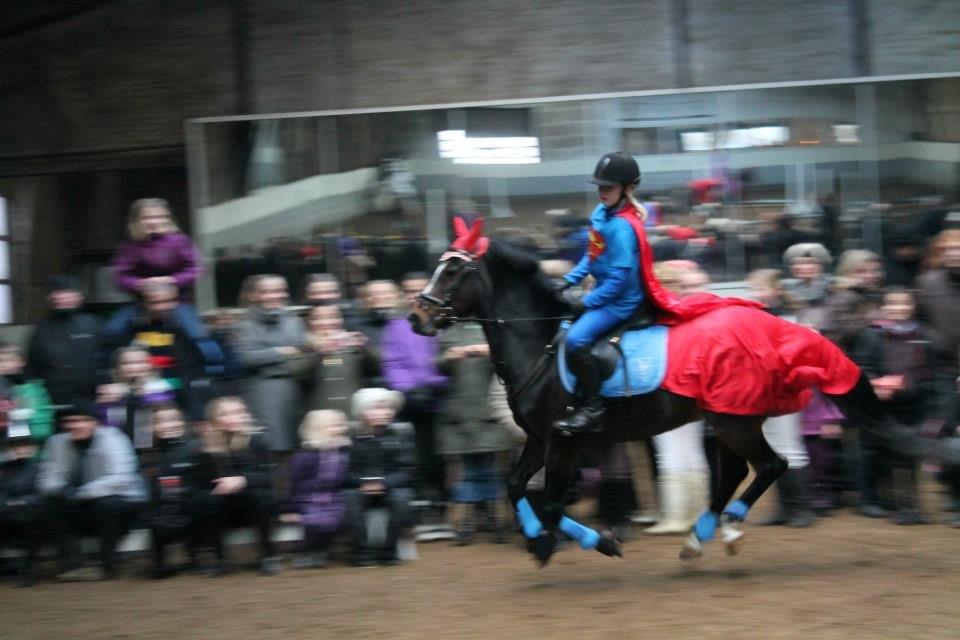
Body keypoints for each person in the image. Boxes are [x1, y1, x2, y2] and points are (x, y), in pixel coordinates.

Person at [552, 152, 652, 434]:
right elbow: (593, 255)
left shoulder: (623, 227)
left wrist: (587, 299)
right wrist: (568, 280)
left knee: (576, 339)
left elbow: (619, 280)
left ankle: (593, 408)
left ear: (628, 188)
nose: (602, 192)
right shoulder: (600, 214)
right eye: (600, 187)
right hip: (603, 292)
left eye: (608, 187)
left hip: (622, 302)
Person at [851, 288, 950, 524]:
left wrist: (936, 406)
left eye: (905, 304)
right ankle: (891, 502)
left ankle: (911, 506)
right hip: (884, 407)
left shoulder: (927, 335)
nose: (899, 308)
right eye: (893, 304)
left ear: (913, 306)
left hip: (917, 405)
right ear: (884, 307)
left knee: (911, 457)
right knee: (888, 456)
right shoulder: (871, 334)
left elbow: (936, 373)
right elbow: (862, 366)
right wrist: (877, 382)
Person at [39, 402, 147, 581]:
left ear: (95, 423)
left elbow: (121, 478)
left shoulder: (114, 439)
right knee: (51, 502)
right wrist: (63, 490)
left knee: (107, 504)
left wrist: (82, 493)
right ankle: (73, 565)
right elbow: (47, 478)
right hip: (82, 504)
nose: (76, 425)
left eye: (82, 420)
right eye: (71, 421)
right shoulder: (56, 443)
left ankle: (108, 566)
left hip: (122, 503)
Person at [436, 322, 514, 545]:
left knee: (492, 469)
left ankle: (496, 518)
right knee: (466, 472)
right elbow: (437, 366)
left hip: (489, 410)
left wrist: (489, 351)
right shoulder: (448, 333)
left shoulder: (492, 329)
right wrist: (449, 356)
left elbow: (510, 361)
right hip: (460, 413)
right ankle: (466, 521)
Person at [192, 397, 279, 575]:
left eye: (239, 412)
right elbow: (202, 484)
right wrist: (215, 455)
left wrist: (242, 480)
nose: (234, 417)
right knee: (205, 499)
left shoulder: (256, 441)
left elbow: (269, 478)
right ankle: (219, 559)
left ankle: (268, 556)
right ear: (215, 420)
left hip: (251, 505)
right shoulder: (203, 446)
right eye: (225, 414)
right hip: (222, 508)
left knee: (262, 495)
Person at [381, 273, 448, 503]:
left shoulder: (445, 320)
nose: (417, 295)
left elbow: (449, 357)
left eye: (422, 289)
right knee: (419, 451)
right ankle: (425, 496)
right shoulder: (397, 325)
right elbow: (392, 361)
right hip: (412, 399)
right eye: (410, 290)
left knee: (443, 451)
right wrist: (408, 388)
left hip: (441, 396)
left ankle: (442, 497)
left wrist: (437, 383)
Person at [233, 274, 309, 453]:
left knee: (299, 443)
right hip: (263, 391)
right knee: (271, 444)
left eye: (279, 291)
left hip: (295, 388)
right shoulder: (244, 324)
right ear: (254, 295)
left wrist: (267, 357)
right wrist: (282, 352)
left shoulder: (294, 321)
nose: (274, 296)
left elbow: (303, 354)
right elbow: (245, 358)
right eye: (266, 292)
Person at [344, 388, 416, 567]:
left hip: (391, 487)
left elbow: (407, 469)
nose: (383, 413)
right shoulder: (350, 437)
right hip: (358, 487)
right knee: (350, 498)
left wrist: (385, 483)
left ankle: (389, 551)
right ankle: (362, 552)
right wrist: (362, 483)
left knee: (402, 499)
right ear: (362, 411)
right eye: (375, 408)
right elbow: (344, 469)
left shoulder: (402, 434)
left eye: (387, 408)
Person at [138, 404, 203, 579]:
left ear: (183, 422)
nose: (167, 425)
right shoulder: (147, 455)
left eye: (173, 420)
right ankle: (160, 561)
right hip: (161, 509)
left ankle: (195, 554)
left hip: (191, 505)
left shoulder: (196, 447)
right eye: (159, 421)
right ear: (151, 427)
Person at [286, 410, 351, 568]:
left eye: (341, 425)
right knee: (315, 521)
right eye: (334, 426)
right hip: (309, 498)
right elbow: (294, 483)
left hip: (334, 496)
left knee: (338, 519)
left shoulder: (344, 453)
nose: (340, 429)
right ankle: (308, 551)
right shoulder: (305, 455)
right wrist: (290, 508)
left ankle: (320, 550)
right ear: (318, 429)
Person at [25, 275, 103, 406]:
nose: (62, 297)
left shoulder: (93, 324)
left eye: (68, 292)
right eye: (57, 292)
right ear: (49, 298)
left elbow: (106, 359)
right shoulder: (41, 329)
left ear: (79, 297)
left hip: (91, 399)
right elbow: (32, 368)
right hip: (54, 401)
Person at [111, 198, 202, 301]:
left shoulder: (179, 241)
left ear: (168, 219)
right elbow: (120, 276)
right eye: (147, 218)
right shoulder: (130, 246)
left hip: (178, 300)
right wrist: (141, 283)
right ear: (137, 220)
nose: (154, 222)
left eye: (160, 217)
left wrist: (171, 280)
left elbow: (195, 268)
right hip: (141, 301)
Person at [96, 345, 176, 451]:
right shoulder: (109, 391)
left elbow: (160, 408)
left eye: (140, 362)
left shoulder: (161, 387)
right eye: (127, 363)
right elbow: (108, 425)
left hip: (157, 446)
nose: (134, 368)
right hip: (119, 446)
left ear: (150, 365)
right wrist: (108, 402)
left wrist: (129, 393)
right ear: (117, 368)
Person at [304, 303, 376, 415]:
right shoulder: (304, 345)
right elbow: (299, 373)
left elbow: (375, 368)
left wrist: (364, 348)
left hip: (353, 411)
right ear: (310, 322)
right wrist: (321, 352)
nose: (327, 322)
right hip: (318, 414)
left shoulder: (352, 344)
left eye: (333, 317)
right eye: (319, 318)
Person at [0, 422, 46, 586]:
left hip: (33, 515)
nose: (20, 448)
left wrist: (21, 502)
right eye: (15, 444)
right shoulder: (4, 469)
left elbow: (42, 494)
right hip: (8, 513)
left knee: (29, 517)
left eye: (24, 443)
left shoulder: (41, 467)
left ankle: (29, 567)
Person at [0, 342, 54, 444]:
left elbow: (41, 420)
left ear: (21, 361)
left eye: (10, 360)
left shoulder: (33, 388)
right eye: (1, 361)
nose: (4, 365)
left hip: (29, 443)